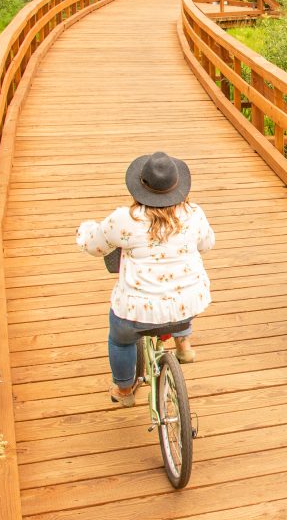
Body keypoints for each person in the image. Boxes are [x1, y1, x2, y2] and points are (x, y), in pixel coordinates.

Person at [77, 151, 215, 406]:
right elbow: (207, 243)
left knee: (120, 338)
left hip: (137, 310)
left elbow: (94, 246)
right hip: (189, 302)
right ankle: (183, 343)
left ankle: (125, 389)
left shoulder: (124, 219)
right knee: (178, 299)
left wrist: (84, 230)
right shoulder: (194, 213)